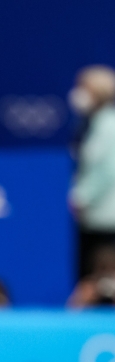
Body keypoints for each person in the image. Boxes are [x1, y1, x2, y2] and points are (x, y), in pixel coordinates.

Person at [69, 66, 115, 279]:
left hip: (106, 217)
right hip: (96, 217)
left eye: (83, 88)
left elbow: (107, 170)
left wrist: (81, 197)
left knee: (100, 277)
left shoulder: (109, 126)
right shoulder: (94, 124)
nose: (77, 94)